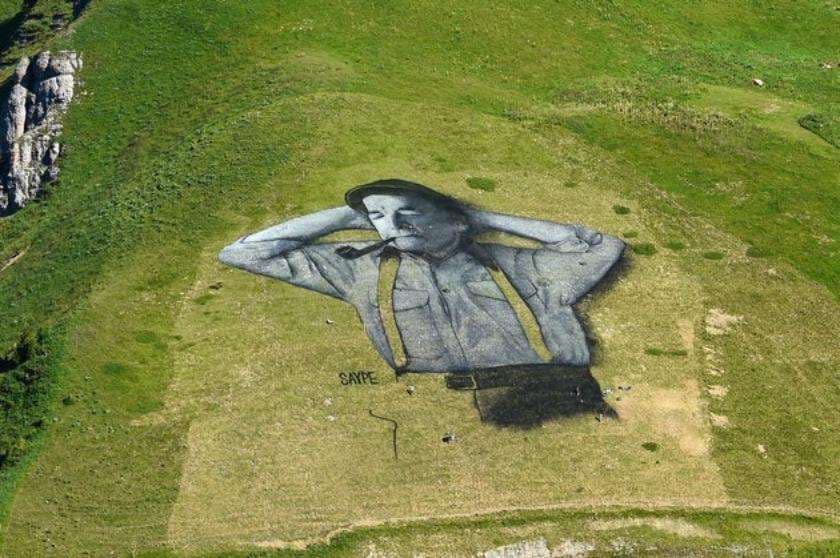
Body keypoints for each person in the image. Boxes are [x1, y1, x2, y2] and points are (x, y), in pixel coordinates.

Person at [218, 179, 624, 376]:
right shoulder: (360, 270)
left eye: (407, 212)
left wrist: (483, 219)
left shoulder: (523, 265)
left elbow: (602, 246)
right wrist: (347, 217)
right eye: (379, 216)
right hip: (434, 409)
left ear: (452, 217)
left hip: (550, 397)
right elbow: (242, 253)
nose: (392, 225)